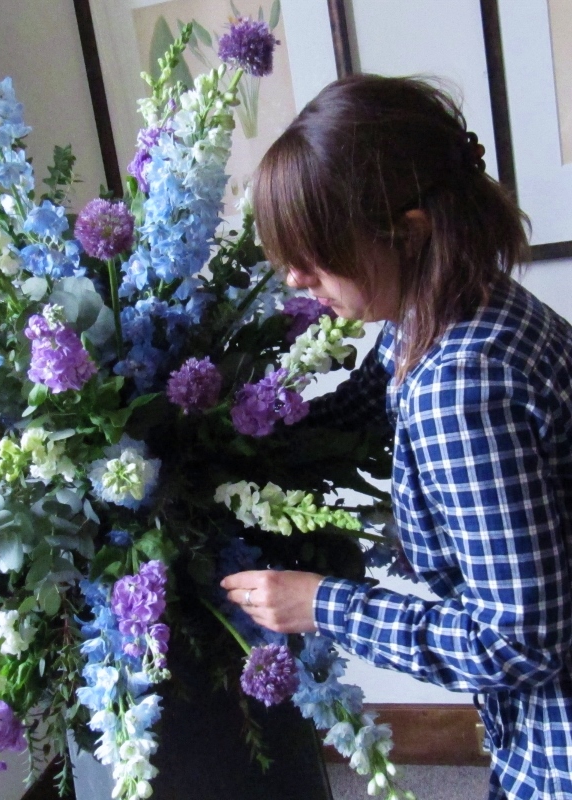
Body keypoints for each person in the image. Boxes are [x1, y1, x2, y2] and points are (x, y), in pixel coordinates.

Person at [220, 74, 572, 800]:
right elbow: (368, 401)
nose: (294, 278)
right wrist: (232, 445)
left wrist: (322, 603)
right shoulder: (457, 306)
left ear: (407, 232)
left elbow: (520, 644)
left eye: (315, 255)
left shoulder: (459, 385)